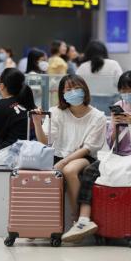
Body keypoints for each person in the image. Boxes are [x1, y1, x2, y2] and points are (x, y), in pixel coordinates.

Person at [61, 70, 131, 247]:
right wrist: (113, 124)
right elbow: (111, 141)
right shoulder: (120, 105)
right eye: (124, 91)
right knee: (91, 171)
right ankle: (83, 220)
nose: (127, 95)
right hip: (121, 154)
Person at [31, 75, 106, 222]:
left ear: (85, 90)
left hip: (84, 157)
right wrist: (37, 123)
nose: (73, 92)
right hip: (58, 154)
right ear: (62, 94)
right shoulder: (56, 112)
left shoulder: (98, 117)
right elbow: (45, 141)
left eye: (77, 88)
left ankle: (76, 217)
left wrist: (63, 162)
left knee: (70, 170)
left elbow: (88, 149)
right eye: (68, 89)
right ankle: (39, 221)